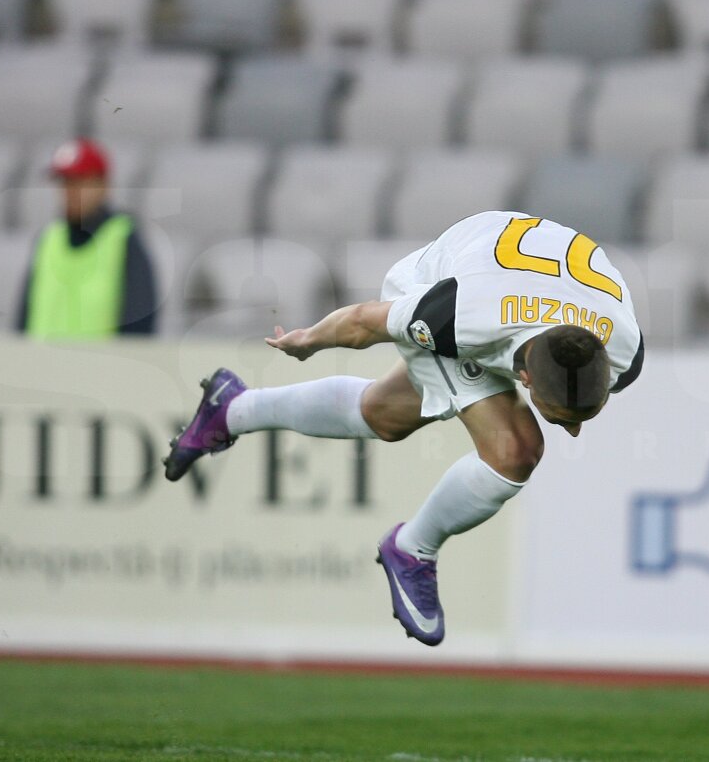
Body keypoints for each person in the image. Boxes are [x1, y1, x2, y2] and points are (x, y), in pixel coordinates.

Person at [162, 211, 644, 646]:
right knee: (515, 449)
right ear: (524, 377)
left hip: (516, 277)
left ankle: (233, 409)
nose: (574, 432)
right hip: (446, 276)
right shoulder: (461, 317)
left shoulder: (624, 350)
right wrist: (307, 340)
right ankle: (412, 548)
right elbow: (361, 323)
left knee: (384, 417)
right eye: (562, 418)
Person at [15, 138, 158, 338]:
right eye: (65, 183)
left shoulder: (123, 237)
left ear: (103, 186)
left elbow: (140, 323)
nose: (70, 192)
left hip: (102, 366)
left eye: (79, 182)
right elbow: (24, 317)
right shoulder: (48, 238)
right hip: (43, 364)